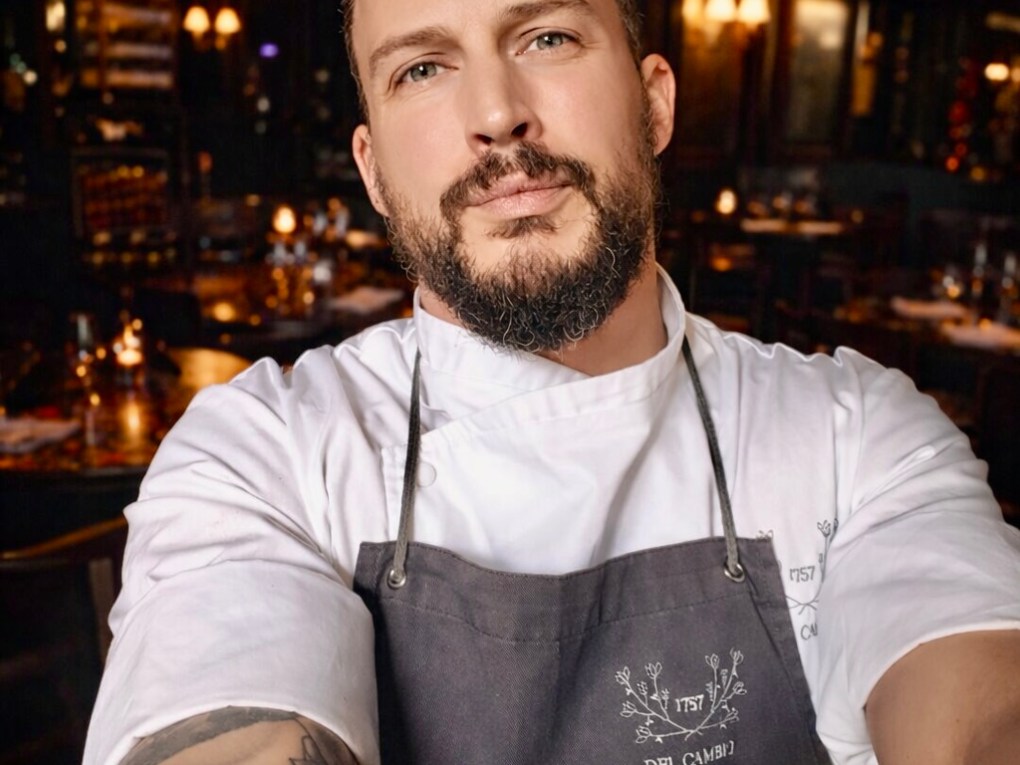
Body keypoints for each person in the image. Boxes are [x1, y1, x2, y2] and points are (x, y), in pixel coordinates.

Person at [85, 0, 1020, 763]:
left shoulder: (859, 438)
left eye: (547, 37)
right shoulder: (266, 456)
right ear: (372, 171)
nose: (496, 112)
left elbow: (980, 707)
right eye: (422, 67)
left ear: (655, 104)